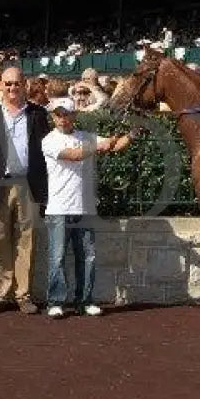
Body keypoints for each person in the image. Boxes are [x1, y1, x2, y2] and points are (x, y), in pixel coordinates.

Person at [42, 97, 135, 318]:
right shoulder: (49, 141)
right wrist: (100, 145)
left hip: (85, 208)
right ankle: (55, 301)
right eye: (58, 114)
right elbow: (75, 155)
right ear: (53, 117)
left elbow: (116, 145)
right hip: (58, 209)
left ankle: (85, 300)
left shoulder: (87, 137)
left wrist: (133, 134)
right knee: (57, 257)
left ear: (74, 116)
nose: (62, 119)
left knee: (88, 257)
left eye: (66, 114)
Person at [0, 66, 50, 314]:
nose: (12, 88)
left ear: (24, 84)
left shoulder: (38, 115)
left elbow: (47, 152)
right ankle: (2, 294)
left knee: (27, 241)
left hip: (28, 184)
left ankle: (23, 295)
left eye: (16, 83)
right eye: (7, 84)